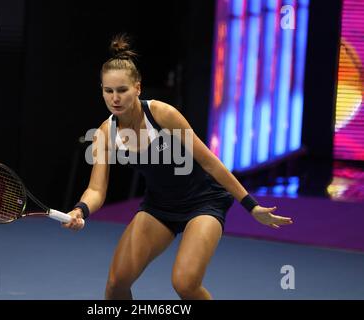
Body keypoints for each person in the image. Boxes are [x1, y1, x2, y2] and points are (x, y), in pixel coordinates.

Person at [62, 34, 293, 300]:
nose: (115, 98)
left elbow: (209, 161)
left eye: (122, 90)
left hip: (203, 202)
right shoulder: (105, 132)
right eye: (108, 90)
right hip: (159, 207)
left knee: (185, 284)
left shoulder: (163, 114)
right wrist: (81, 210)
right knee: (116, 284)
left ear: (137, 87)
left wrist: (251, 206)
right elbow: (96, 188)